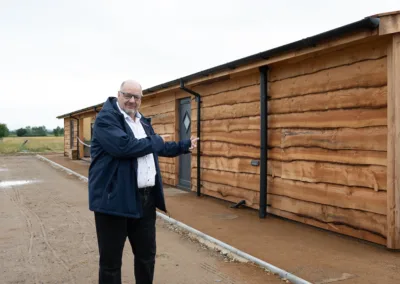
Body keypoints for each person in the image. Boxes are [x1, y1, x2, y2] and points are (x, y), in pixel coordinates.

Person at [88, 79, 199, 284]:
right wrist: (156, 141)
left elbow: (156, 148)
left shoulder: (143, 122)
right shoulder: (106, 120)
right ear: (118, 95)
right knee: (111, 262)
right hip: (113, 201)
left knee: (146, 257)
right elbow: (124, 147)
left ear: (141, 99)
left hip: (145, 200)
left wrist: (184, 145)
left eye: (136, 97)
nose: (132, 100)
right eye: (127, 95)